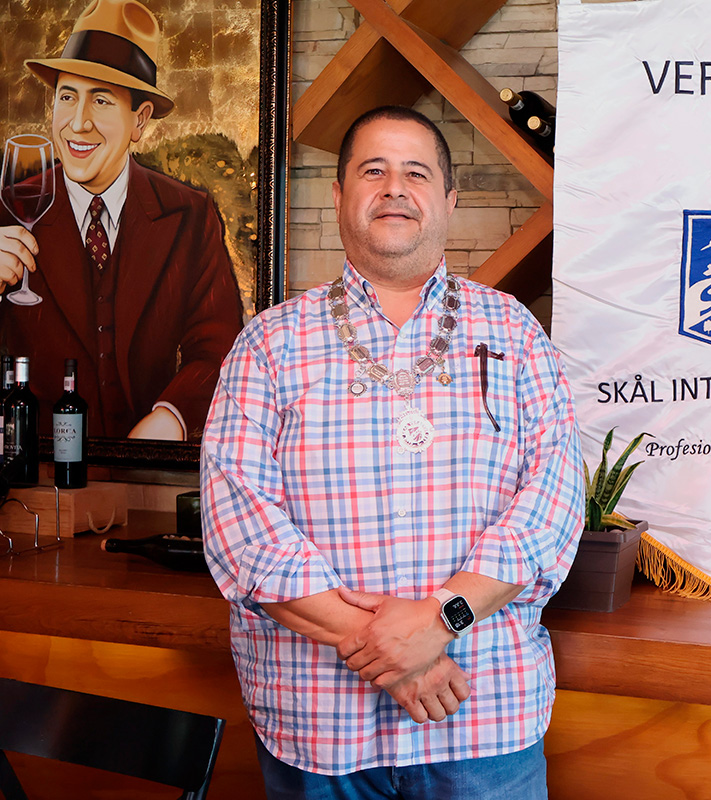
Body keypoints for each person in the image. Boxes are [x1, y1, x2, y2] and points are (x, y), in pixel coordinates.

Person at [201, 105, 585, 799]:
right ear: (339, 194)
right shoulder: (267, 344)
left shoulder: (516, 333)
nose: (395, 188)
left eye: (417, 172)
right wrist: (398, 650)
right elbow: (243, 533)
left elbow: (551, 510)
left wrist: (441, 619)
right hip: (319, 724)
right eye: (373, 170)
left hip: (484, 722)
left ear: (449, 199)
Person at [0, 0, 243, 440]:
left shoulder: (190, 214)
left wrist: (169, 420)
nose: (78, 123)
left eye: (101, 100)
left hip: (149, 469)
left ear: (140, 120)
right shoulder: (7, 210)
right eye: (67, 97)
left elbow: (219, 348)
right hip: (36, 471)